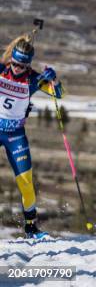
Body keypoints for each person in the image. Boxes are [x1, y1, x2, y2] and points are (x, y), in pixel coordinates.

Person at [0, 33, 63, 239]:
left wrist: (53, 79)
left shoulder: (34, 79)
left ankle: (31, 227)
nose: (17, 69)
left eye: (22, 66)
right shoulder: (1, 70)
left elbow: (59, 93)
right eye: (15, 64)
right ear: (11, 60)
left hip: (15, 135)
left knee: (26, 183)